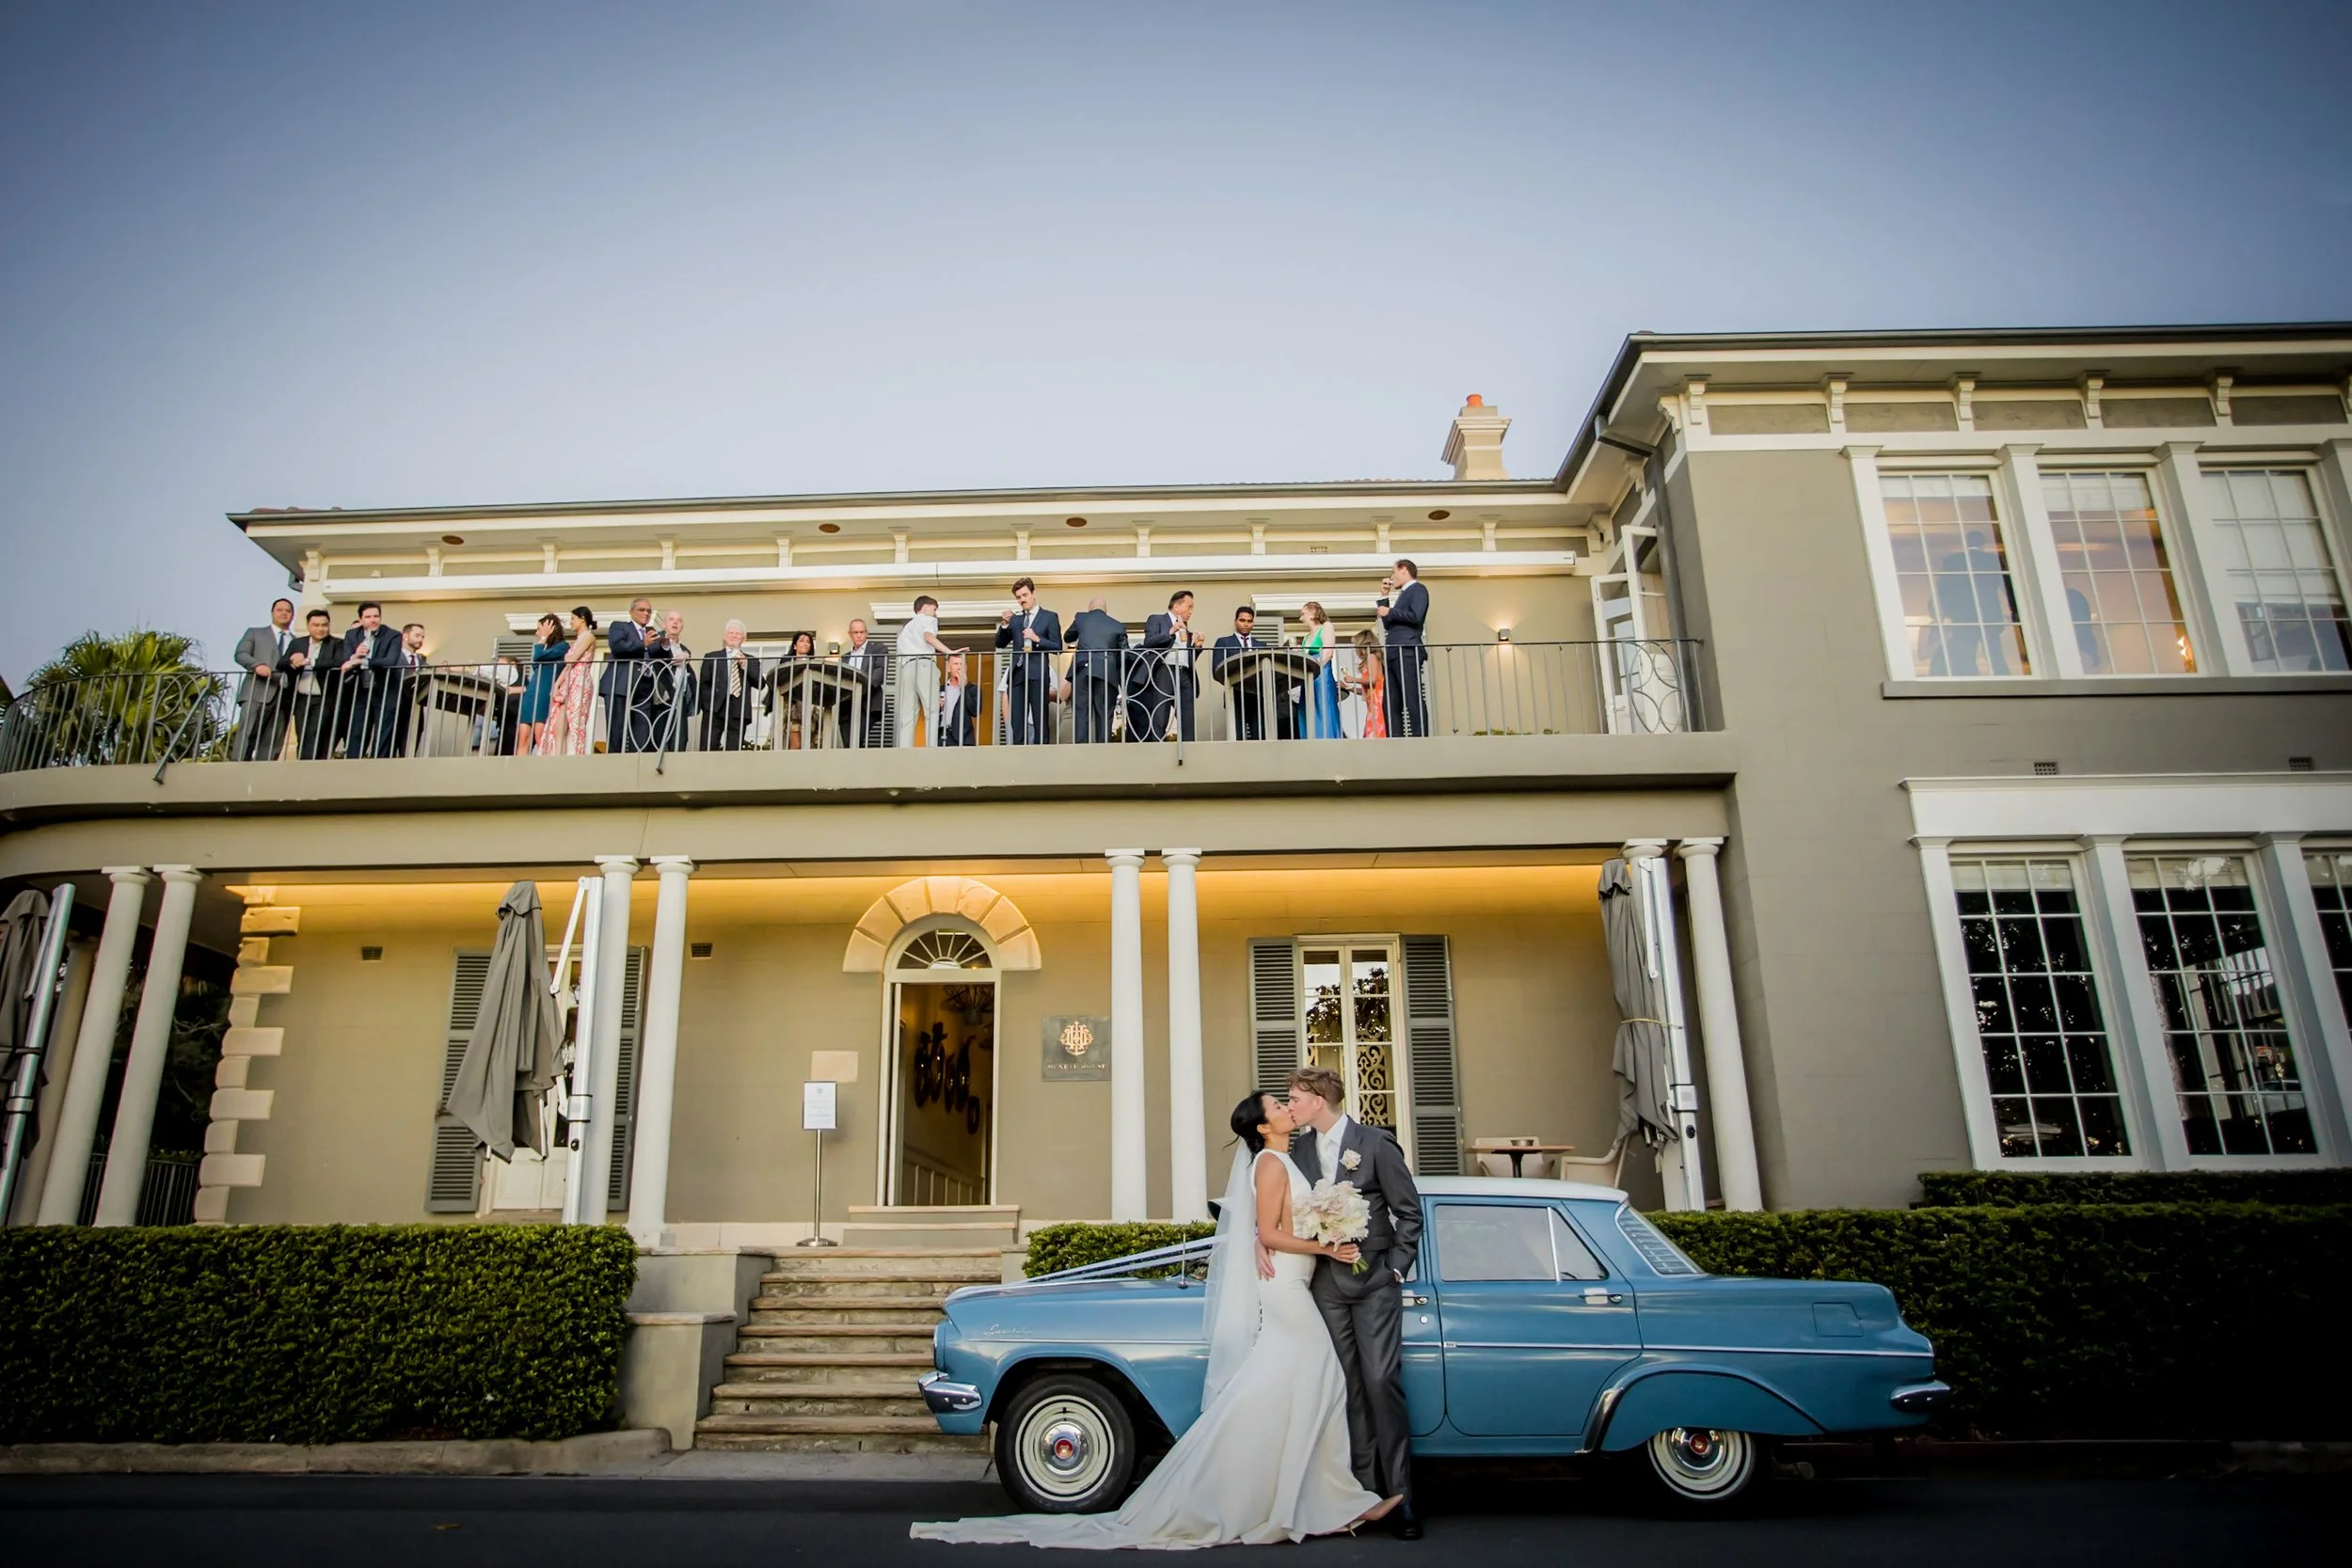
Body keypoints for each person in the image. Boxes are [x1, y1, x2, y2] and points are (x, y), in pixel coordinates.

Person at [911, 1091, 1398, 1547]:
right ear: (1263, 1126)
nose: (1289, 1108)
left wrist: (1318, 1234)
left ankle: (1315, 1501)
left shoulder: (1286, 1159)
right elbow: (1269, 1234)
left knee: (1301, 1388)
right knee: (1318, 1381)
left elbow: (1264, 1229)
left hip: (1294, 1281)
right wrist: (1326, 1247)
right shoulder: (1270, 1164)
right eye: (1278, 1105)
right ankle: (1322, 1502)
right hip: (1287, 1288)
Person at [1287, 1065, 1422, 1539]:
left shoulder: (1375, 1143)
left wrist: (1396, 1268)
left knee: (1383, 1381)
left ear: (1318, 1099)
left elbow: (1409, 1211)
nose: (1291, 1107)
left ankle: (1402, 1498)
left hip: (1374, 1284)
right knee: (1346, 1388)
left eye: (1296, 1100)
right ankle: (1364, 1500)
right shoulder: (1298, 1149)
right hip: (1325, 1285)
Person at [993, 576, 1062, 745]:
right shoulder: (1016, 620)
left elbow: (1058, 647)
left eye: (1024, 595)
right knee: (1017, 722)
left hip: (1037, 675)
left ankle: (1040, 757)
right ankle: (1018, 758)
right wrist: (1003, 625)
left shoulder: (1049, 617)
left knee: (1040, 720)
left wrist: (1037, 639)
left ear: (1033, 594)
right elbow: (1000, 643)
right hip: (1017, 676)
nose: (1022, 600)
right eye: (1018, 597)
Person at [232, 598, 300, 761]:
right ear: (272, 613)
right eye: (280, 610)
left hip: (284, 695)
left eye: (288, 611)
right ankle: (237, 767)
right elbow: (241, 654)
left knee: (273, 739)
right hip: (257, 690)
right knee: (248, 731)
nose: (284, 613)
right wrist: (256, 666)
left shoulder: (296, 640)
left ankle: (263, 772)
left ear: (292, 615)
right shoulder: (255, 633)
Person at [1132, 589, 1203, 742]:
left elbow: (1187, 657)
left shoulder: (1186, 629)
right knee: (1161, 713)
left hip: (1184, 672)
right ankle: (1158, 748)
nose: (1191, 611)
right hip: (1164, 669)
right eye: (1189, 606)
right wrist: (1171, 631)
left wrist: (1196, 647)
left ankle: (1188, 748)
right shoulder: (1157, 619)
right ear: (1177, 606)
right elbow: (1149, 642)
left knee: (1187, 714)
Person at [336, 602, 404, 758]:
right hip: (361, 691)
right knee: (357, 733)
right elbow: (346, 660)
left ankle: (377, 770)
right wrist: (355, 656)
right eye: (368, 617)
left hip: (385, 691)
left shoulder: (393, 635)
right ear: (361, 619)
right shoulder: (352, 635)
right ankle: (353, 767)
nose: (373, 620)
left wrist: (362, 662)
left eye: (376, 616)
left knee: (382, 736)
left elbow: (390, 661)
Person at [1213, 605, 1285, 741]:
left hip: (1258, 696)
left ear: (1253, 623)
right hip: (1235, 693)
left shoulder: (1261, 645)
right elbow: (1217, 669)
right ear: (1235, 621)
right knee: (1237, 735)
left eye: (1249, 621)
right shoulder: (1224, 642)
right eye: (1242, 620)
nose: (1245, 624)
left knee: (1260, 735)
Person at [1375, 560, 1428, 738]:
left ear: (1404, 570)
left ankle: (1420, 739)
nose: (1392, 577)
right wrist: (1384, 597)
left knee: (1411, 697)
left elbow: (1416, 616)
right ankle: (1395, 739)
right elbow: (1389, 624)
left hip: (1407, 650)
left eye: (1393, 572)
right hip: (1392, 652)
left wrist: (1390, 611)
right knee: (1390, 701)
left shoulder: (1418, 589)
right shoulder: (1402, 595)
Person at [1066, 595, 1127, 743]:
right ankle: (1103, 747)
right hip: (1107, 672)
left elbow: (1067, 637)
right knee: (1105, 713)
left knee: (1081, 711)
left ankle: (1081, 746)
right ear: (1106, 610)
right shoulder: (1118, 626)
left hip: (1083, 669)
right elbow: (1124, 654)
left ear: (1090, 609)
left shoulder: (1081, 618)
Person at [538, 607, 599, 755]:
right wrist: (557, 684)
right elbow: (568, 666)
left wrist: (567, 659)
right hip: (570, 679)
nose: (571, 622)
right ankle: (557, 756)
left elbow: (572, 659)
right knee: (559, 725)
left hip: (580, 681)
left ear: (582, 618)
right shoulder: (577, 640)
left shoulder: (588, 637)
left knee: (576, 721)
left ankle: (574, 756)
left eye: (573, 618)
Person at [602, 598, 660, 752]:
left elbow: (658, 655)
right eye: (642, 610)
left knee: (642, 730)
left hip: (645, 687)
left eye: (649, 611)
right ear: (631, 612)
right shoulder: (620, 626)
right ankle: (614, 765)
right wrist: (643, 644)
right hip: (620, 684)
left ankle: (637, 765)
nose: (646, 613)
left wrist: (667, 646)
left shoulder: (651, 632)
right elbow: (617, 647)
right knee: (617, 730)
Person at [895, 595, 951, 748]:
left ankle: (904, 750)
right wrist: (949, 652)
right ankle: (931, 748)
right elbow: (928, 637)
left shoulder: (905, 630)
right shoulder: (927, 620)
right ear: (925, 607)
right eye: (934, 610)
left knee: (908, 714)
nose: (935, 614)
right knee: (932, 710)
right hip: (924, 664)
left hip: (907, 668)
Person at [698, 619, 762, 752]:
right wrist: (708, 706)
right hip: (715, 708)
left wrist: (746, 665)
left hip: (738, 708)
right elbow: (704, 684)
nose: (733, 636)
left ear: (743, 639)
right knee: (708, 747)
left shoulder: (751, 659)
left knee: (734, 750)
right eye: (730, 633)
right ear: (724, 636)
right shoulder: (711, 657)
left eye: (737, 634)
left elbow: (760, 683)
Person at [289, 608, 344, 759]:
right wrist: (293, 661)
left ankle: (310, 766)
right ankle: (302, 765)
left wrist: (310, 661)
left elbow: (338, 662)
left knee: (315, 733)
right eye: (316, 625)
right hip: (301, 697)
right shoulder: (297, 643)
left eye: (324, 625)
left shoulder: (337, 643)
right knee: (302, 734)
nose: (321, 629)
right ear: (308, 626)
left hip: (323, 697)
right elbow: (281, 663)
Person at [375, 621, 429, 757]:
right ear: (405, 636)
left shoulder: (421, 660)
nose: (421, 640)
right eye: (417, 636)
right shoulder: (393, 656)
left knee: (410, 745)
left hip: (415, 707)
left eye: (422, 637)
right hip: (394, 705)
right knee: (388, 745)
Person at [644, 609, 693, 752]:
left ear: (682, 626)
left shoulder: (685, 649)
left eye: (679, 620)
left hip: (680, 699)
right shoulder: (657, 641)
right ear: (664, 624)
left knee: (680, 741)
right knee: (657, 739)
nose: (675, 622)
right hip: (662, 697)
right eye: (671, 619)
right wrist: (672, 661)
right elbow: (654, 654)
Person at [518, 613, 566, 752]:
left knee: (540, 736)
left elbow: (538, 656)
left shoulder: (562, 647)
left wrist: (543, 637)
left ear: (550, 629)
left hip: (544, 692)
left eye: (539, 629)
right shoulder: (544, 648)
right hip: (532, 691)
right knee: (523, 736)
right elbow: (536, 664)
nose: (537, 633)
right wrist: (542, 642)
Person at [838, 617, 886, 747]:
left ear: (866, 633)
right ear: (850, 634)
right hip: (847, 705)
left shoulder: (877, 648)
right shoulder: (845, 657)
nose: (859, 635)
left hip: (868, 701)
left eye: (862, 632)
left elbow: (880, 672)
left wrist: (862, 686)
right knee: (848, 743)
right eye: (855, 632)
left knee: (856, 739)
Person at [1299, 600, 1343, 740]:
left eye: (1303, 613)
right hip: (1307, 677)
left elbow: (1328, 652)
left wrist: (1314, 665)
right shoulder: (1306, 637)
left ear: (1313, 613)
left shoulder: (1326, 627)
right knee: (1307, 709)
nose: (1300, 617)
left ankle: (1328, 739)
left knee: (1323, 707)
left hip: (1321, 673)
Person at [771, 631, 822, 750]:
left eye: (808, 642)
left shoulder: (814, 664)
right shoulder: (787, 661)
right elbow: (781, 680)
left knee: (810, 742)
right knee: (795, 743)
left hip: (810, 706)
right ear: (795, 645)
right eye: (802, 640)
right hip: (792, 705)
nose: (805, 643)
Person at [1341, 628, 1387, 737]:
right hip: (1372, 705)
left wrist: (1353, 679)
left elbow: (1373, 679)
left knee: (1375, 735)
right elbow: (1368, 689)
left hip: (1378, 704)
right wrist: (1349, 688)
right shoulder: (1370, 659)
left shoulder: (1372, 657)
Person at [935, 651, 980, 746]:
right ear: (949, 668)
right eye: (956, 664)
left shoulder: (973, 689)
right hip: (942, 736)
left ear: (966, 668)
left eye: (962, 664)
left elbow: (975, 711)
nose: (959, 667)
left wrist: (964, 688)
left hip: (964, 738)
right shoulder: (940, 689)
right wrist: (936, 706)